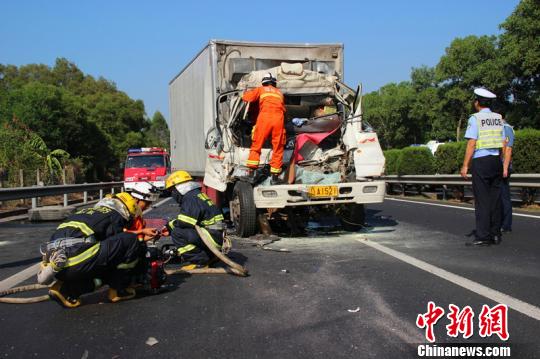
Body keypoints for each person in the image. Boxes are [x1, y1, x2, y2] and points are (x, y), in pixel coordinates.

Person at [39, 192, 157, 308]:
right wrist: (139, 240)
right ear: (128, 209)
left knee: (101, 255)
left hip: (57, 264)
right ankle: (119, 290)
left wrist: (141, 233)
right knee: (129, 243)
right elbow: (123, 246)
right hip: (76, 261)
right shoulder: (115, 215)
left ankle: (65, 290)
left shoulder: (88, 212)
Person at [460, 88, 505, 246]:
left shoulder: (475, 119)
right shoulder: (499, 118)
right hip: (496, 161)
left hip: (481, 161)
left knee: (482, 200)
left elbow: (472, 143)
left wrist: (465, 165)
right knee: (495, 199)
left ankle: (482, 236)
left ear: (477, 103)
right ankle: (495, 234)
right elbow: (503, 143)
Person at [164, 170, 224, 270]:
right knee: (182, 231)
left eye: (172, 191)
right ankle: (210, 256)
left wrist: (170, 227)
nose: (172, 194)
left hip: (211, 236)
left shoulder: (190, 198)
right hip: (215, 234)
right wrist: (168, 226)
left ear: (178, 188)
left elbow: (185, 222)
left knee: (177, 233)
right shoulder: (195, 194)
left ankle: (199, 261)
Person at [242, 72, 286, 183]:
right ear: (274, 83)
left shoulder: (261, 89)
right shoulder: (280, 93)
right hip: (278, 119)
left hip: (265, 117)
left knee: (257, 144)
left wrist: (243, 93)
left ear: (264, 82)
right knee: (278, 147)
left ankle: (252, 175)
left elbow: (248, 98)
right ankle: (275, 178)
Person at [501, 120, 515, 233]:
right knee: (499, 196)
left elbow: (508, 149)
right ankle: (501, 222)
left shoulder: (506, 128)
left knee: (504, 196)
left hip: (503, 167)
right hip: (498, 166)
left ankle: (506, 224)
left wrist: (505, 168)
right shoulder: (499, 127)